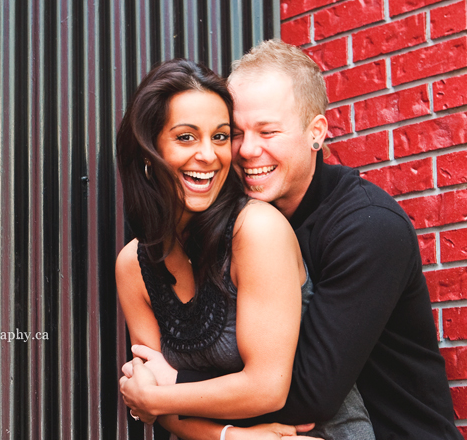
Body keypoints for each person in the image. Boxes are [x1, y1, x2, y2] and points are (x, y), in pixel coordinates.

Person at [121, 40, 461, 439]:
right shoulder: (225, 229)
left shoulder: (368, 226)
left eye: (268, 131)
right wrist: (229, 434)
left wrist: (168, 387)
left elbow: (308, 393)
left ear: (316, 133)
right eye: (237, 133)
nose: (247, 150)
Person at [115, 58, 373, 439]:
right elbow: (158, 405)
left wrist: (163, 395)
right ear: (148, 151)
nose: (209, 155)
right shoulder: (132, 265)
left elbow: (266, 387)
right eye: (186, 137)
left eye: (220, 136)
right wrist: (231, 437)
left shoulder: (255, 229)